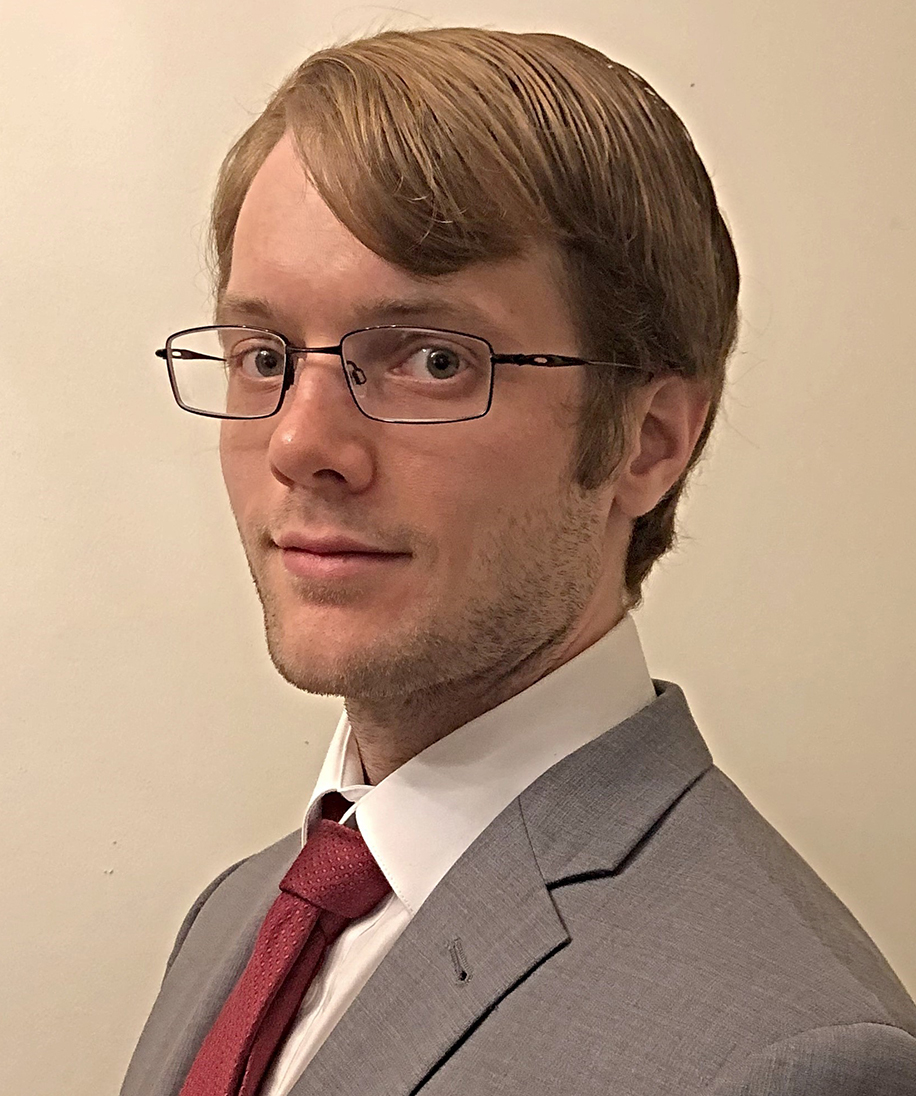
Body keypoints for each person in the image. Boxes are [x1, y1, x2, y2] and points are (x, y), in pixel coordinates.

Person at [120, 25, 916, 1096]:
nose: (300, 443)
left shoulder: (791, 1058)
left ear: (647, 441)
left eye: (432, 358)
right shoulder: (236, 921)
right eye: (264, 356)